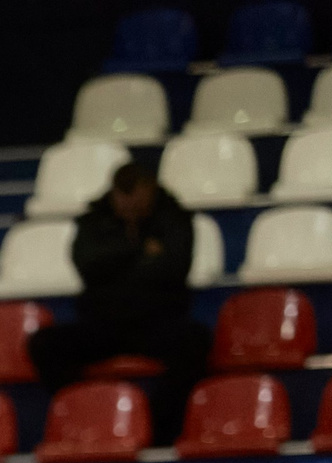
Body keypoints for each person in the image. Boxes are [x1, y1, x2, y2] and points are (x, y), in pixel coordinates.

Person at [23, 162, 209, 443]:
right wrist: (138, 250)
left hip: (156, 322)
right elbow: (87, 264)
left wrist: (115, 263)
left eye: (137, 201)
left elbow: (173, 269)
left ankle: (158, 427)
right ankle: (89, 413)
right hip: (103, 324)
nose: (129, 208)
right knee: (44, 344)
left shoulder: (175, 219)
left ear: (150, 191)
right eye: (123, 201)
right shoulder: (93, 221)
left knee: (197, 341)